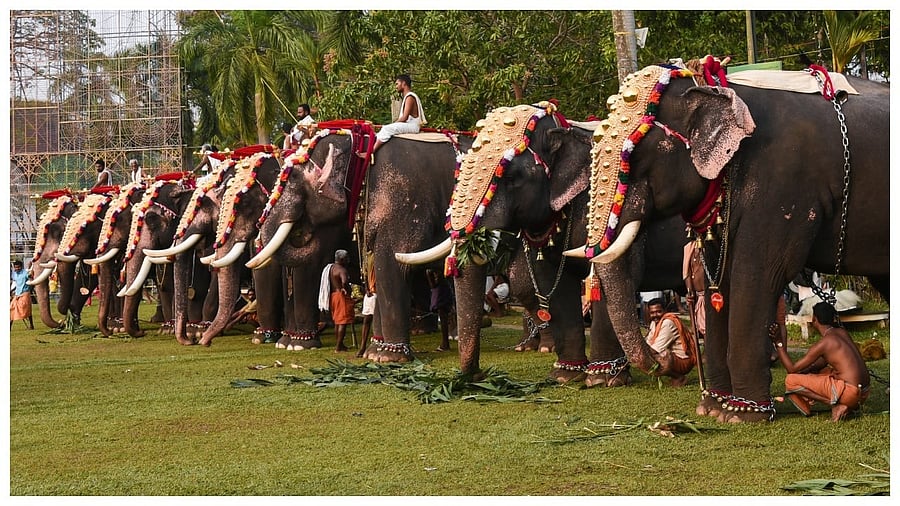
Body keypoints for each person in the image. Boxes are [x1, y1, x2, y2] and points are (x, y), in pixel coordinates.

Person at [770, 301, 870, 421]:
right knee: (820, 371)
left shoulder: (825, 343)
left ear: (814, 319)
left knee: (791, 380)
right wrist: (806, 372)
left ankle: (836, 404)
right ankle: (841, 404)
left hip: (850, 394)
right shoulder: (842, 332)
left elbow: (791, 369)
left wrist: (778, 343)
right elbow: (820, 364)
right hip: (863, 393)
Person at [357, 74, 426, 163]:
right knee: (384, 128)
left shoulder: (410, 97)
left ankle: (370, 153)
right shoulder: (407, 97)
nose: (396, 86)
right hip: (410, 125)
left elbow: (404, 118)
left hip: (413, 126)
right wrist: (381, 126)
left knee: (387, 129)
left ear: (403, 83)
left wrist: (387, 125)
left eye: (397, 84)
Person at [645, 298, 695, 387]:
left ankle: (679, 377)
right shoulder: (654, 323)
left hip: (684, 360)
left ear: (665, 311)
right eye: (652, 313)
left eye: (658, 311)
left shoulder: (668, 322)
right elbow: (649, 343)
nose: (655, 315)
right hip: (675, 358)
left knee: (662, 355)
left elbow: (654, 349)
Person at [321, 249, 354, 352]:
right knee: (342, 322)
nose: (348, 260)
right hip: (340, 296)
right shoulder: (341, 270)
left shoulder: (330, 268)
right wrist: (348, 290)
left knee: (337, 321)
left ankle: (340, 344)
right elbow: (344, 282)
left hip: (333, 295)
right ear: (342, 259)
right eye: (346, 258)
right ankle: (339, 346)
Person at [427, 269, 455, 352]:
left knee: (444, 317)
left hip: (441, 293)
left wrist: (430, 275)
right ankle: (445, 342)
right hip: (443, 291)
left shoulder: (436, 273)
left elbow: (433, 284)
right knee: (445, 317)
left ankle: (445, 343)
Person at [10, 260, 34, 330]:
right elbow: (17, 284)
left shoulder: (26, 273)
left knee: (26, 310)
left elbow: (31, 281)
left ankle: (31, 325)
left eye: (18, 267)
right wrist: (11, 290)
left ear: (21, 267)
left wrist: (30, 289)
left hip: (25, 293)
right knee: (11, 309)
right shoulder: (14, 274)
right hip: (17, 294)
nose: (17, 269)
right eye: (15, 267)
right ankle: (9, 327)